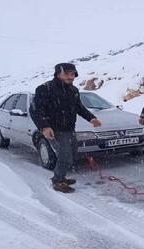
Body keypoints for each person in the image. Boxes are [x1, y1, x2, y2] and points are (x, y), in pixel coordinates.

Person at [30, 63, 102, 193]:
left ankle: (61, 176)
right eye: (68, 74)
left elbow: (79, 107)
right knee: (65, 156)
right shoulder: (45, 89)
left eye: (73, 74)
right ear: (59, 74)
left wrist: (92, 118)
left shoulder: (73, 90)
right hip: (55, 129)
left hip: (69, 129)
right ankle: (58, 181)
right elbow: (35, 110)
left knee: (72, 154)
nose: (72, 77)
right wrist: (45, 127)